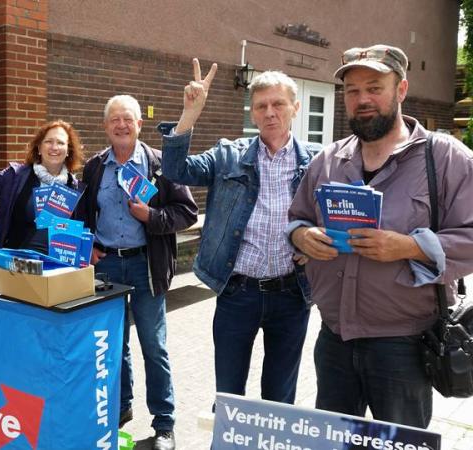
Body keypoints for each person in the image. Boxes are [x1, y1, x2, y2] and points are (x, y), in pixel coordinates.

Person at [288, 44, 473, 428]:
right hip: (334, 341)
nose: (362, 99)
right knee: (336, 441)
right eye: (353, 91)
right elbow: (296, 220)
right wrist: (301, 237)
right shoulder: (328, 160)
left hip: (403, 346)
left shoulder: (445, 158)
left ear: (401, 90)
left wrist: (409, 246)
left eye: (374, 87)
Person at [160, 61, 319, 406]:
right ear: (253, 114)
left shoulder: (318, 162)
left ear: (295, 108)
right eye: (261, 106)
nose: (270, 112)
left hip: (292, 294)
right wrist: (190, 113)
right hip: (238, 293)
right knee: (229, 396)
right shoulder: (228, 155)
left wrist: (317, 241)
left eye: (278, 104)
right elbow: (174, 170)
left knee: (279, 398)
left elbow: (340, 215)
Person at [82, 94, 197, 450]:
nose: (121, 125)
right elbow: (84, 213)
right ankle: (120, 408)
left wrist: (152, 217)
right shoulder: (95, 166)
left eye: (127, 119)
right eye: (114, 119)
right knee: (114, 345)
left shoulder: (161, 165)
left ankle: (164, 424)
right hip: (107, 266)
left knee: (153, 346)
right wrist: (90, 246)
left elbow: (187, 212)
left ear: (139, 124)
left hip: (145, 264)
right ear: (105, 126)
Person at [0, 119, 84, 252]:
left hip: (58, 267)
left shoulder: (75, 188)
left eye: (61, 143)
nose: (54, 147)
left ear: (68, 150)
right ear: (39, 148)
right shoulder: (15, 176)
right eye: (48, 141)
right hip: (16, 264)